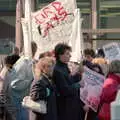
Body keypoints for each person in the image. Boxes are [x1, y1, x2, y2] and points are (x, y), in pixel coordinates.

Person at [5, 41, 37, 120]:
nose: (34, 52)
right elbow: (15, 84)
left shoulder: (29, 62)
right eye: (33, 50)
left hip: (25, 102)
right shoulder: (22, 63)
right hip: (21, 103)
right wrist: (31, 80)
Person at [52, 43, 83, 120]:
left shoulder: (64, 66)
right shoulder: (57, 70)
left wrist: (76, 74)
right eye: (67, 53)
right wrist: (79, 84)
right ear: (60, 55)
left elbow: (70, 81)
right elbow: (65, 90)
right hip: (65, 108)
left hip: (71, 106)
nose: (70, 55)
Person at [0, 54, 20, 120]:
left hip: (10, 108)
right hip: (8, 109)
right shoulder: (6, 73)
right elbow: (2, 92)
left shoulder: (9, 72)